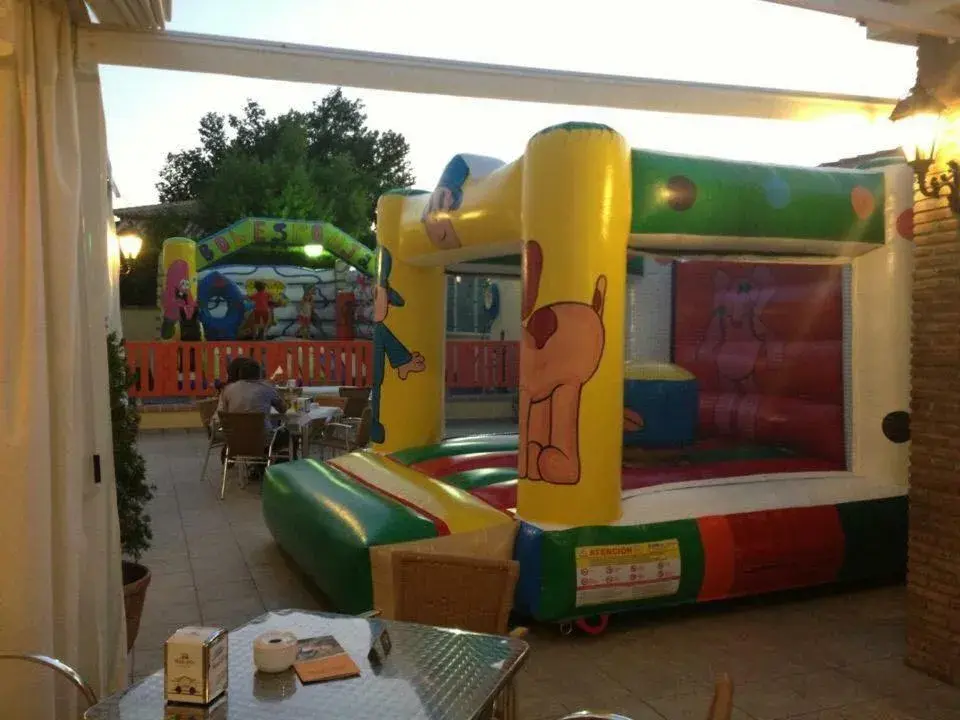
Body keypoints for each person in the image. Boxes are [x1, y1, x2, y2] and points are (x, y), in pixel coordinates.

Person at [216, 359, 291, 475]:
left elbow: (223, 413)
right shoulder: (267, 388)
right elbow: (283, 409)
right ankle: (279, 467)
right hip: (262, 440)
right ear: (259, 374)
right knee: (286, 433)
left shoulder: (228, 390)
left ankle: (257, 466)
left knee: (259, 430)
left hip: (235, 440)